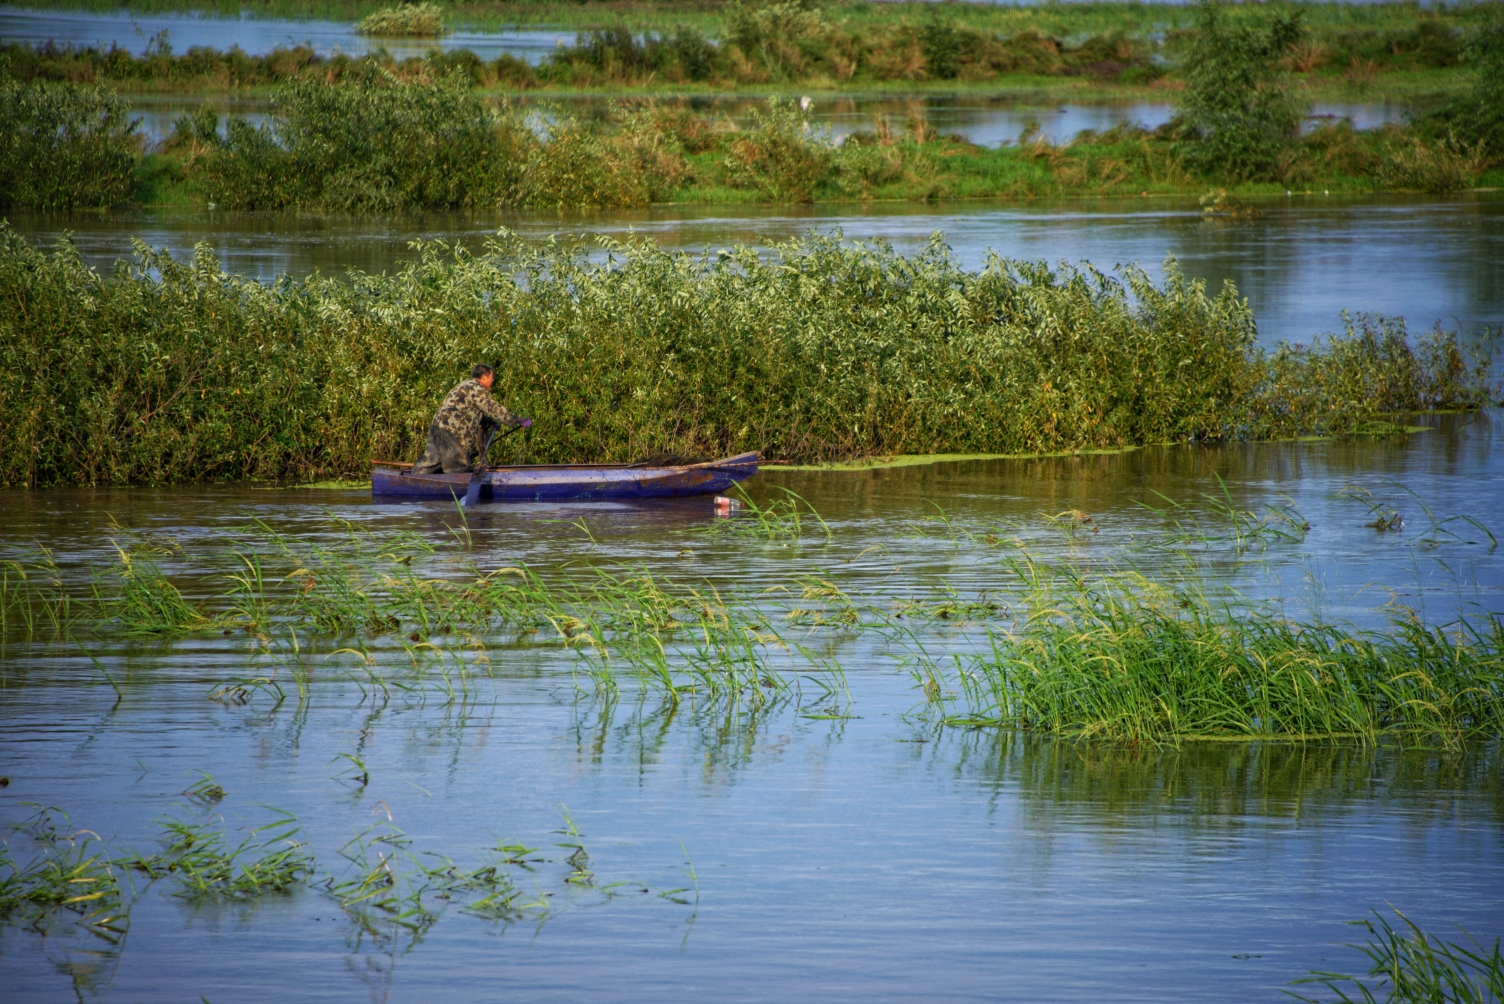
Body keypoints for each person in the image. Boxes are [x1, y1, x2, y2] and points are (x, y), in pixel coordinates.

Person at [412, 364, 531, 475]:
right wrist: (516, 419)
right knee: (458, 465)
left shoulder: (465, 385)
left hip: (437, 426)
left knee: (430, 461)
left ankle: (412, 481)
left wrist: (487, 422)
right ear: (484, 377)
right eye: (491, 377)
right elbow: (492, 407)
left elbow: (467, 410)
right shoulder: (476, 388)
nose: (493, 380)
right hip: (451, 431)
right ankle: (458, 491)